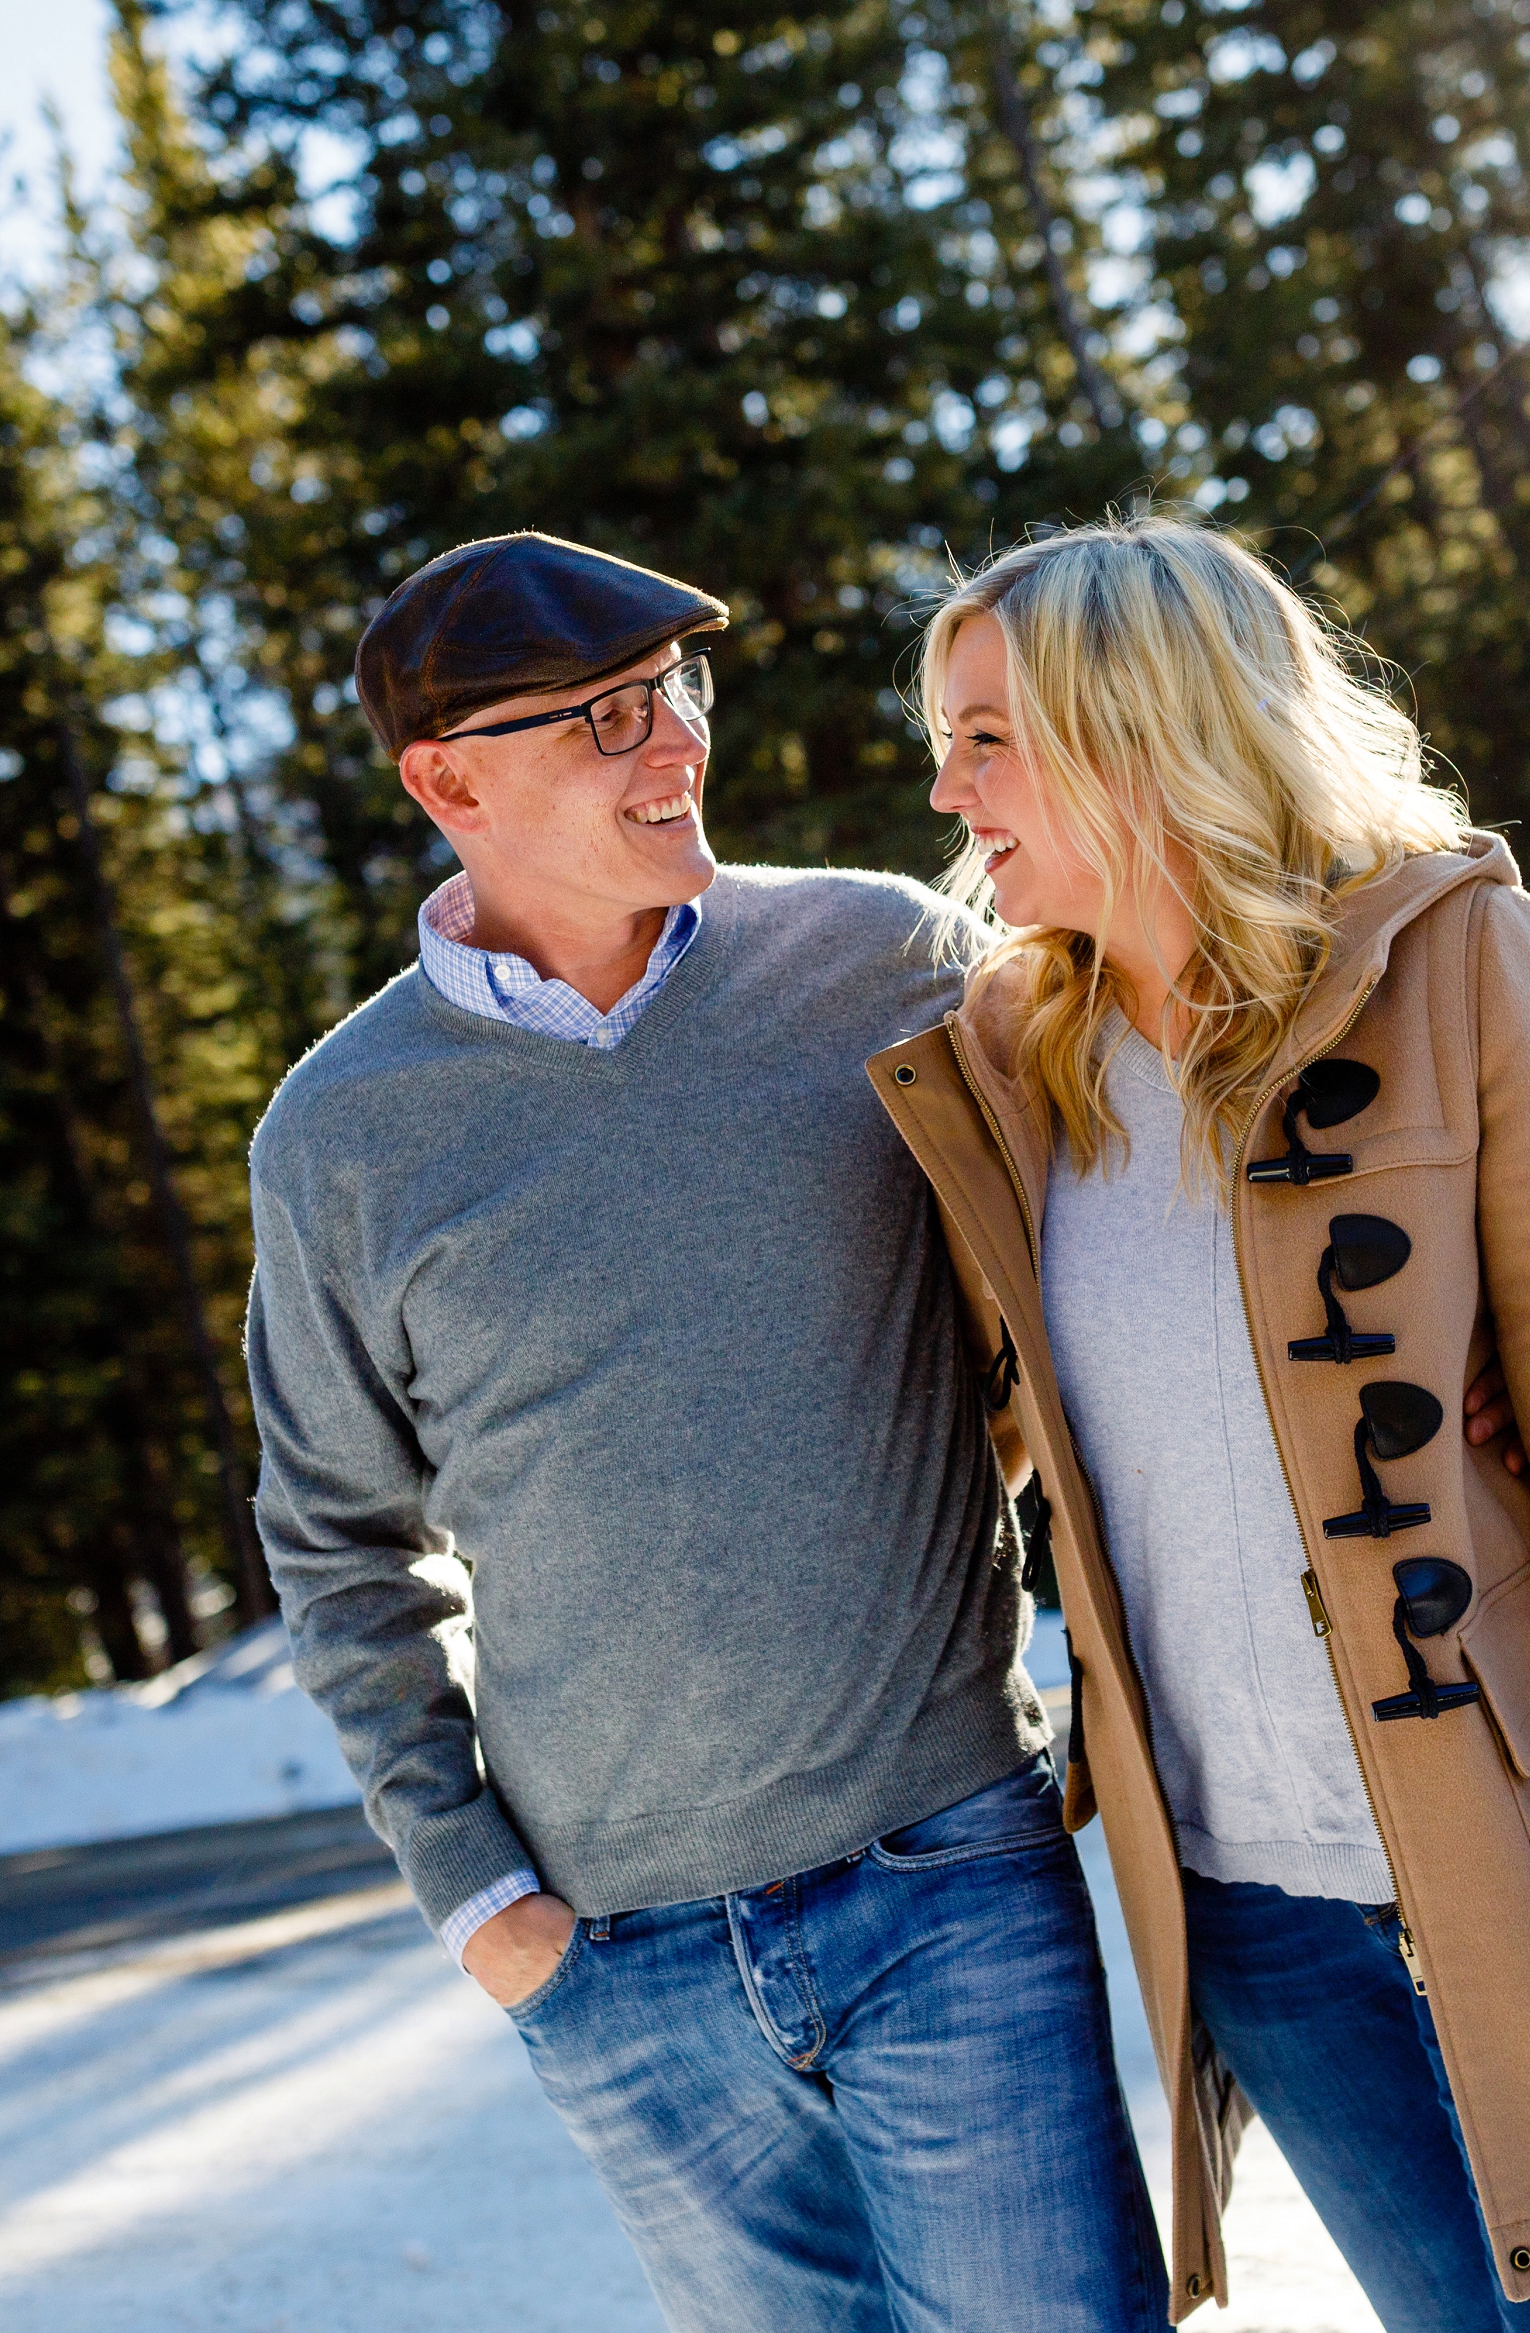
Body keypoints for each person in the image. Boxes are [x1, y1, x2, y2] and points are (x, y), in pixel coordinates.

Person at [866, 513, 1530, 2329]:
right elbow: (987, 1442)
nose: (946, 790)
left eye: (986, 734)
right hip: (1257, 1920)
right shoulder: (1015, 1065)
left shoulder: (1456, 957)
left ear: (1134, 725)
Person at [244, 531, 1166, 2331]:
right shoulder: (340, 1138)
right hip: (623, 1972)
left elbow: (1141, 1199)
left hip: (950, 1882)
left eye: (678, 694)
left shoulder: (884, 964)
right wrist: (484, 1907)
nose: (676, 747)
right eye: (605, 716)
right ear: (449, 780)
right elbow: (336, 1545)